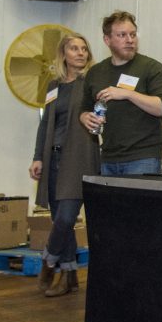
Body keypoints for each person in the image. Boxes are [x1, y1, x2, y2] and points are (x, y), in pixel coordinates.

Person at [29, 33, 100, 297]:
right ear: (64, 54)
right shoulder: (53, 86)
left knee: (66, 217)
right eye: (74, 48)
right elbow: (45, 124)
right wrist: (38, 157)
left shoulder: (91, 83)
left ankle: (48, 260)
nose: (80, 53)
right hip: (53, 158)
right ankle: (68, 275)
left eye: (84, 48)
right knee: (60, 219)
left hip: (79, 157)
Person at [80, 10, 162, 175]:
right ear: (107, 40)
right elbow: (84, 109)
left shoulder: (151, 67)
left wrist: (127, 94)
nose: (130, 40)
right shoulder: (96, 72)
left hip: (143, 158)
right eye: (122, 35)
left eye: (133, 34)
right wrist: (86, 118)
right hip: (108, 158)